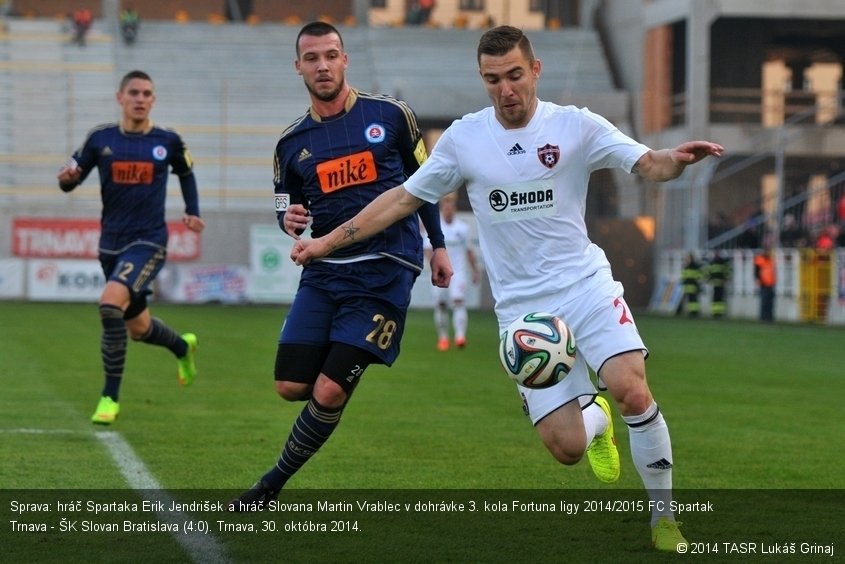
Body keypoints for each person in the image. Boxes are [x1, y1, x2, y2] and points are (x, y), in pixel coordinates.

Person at [292, 25, 724, 552]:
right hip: (522, 312)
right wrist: (326, 242)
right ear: (483, 79)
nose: (506, 90)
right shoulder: (465, 139)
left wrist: (674, 163)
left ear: (535, 70)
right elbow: (400, 200)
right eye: (493, 80)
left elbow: (648, 162)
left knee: (632, 387)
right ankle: (594, 419)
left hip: (585, 285)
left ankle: (664, 520)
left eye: (515, 76)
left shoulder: (576, 126)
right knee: (565, 449)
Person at [228, 22, 451, 511]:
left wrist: (438, 245)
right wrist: (286, 217)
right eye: (312, 58)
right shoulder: (291, 144)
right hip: (326, 272)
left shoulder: (391, 115)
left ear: (345, 59)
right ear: (299, 67)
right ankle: (339, 366)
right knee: (291, 386)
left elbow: (426, 182)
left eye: (331, 55)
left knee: (328, 390)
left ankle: (267, 489)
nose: (323, 65)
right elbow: (285, 201)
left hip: (386, 268)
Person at [57, 70, 204, 425]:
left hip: (149, 240)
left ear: (153, 100)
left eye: (147, 93)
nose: (140, 99)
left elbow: (185, 172)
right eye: (134, 93)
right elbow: (70, 178)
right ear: (120, 97)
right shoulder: (101, 139)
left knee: (109, 305)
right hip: (110, 244)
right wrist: (66, 179)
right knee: (138, 328)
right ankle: (182, 348)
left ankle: (109, 397)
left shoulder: (167, 141)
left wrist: (192, 211)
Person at [424, 192, 480, 351]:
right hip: (439, 271)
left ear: (454, 209)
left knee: (458, 301)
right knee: (441, 304)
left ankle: (460, 336)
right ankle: (443, 338)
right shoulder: (435, 227)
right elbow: (428, 250)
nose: (448, 210)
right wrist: (434, 266)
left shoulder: (462, 228)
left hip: (458, 272)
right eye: (445, 207)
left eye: (451, 207)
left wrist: (475, 271)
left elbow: (469, 251)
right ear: (442, 209)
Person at [705, 250, 730, 318]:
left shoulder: (719, 263)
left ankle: (718, 313)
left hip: (720, 283)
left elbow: (726, 273)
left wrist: (726, 279)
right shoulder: (717, 263)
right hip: (716, 283)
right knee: (716, 298)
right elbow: (709, 273)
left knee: (719, 298)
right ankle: (716, 313)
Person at [753, 248, 776, 322]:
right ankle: (763, 316)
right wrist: (760, 280)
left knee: (770, 302)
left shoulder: (770, 260)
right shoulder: (760, 260)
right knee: (764, 301)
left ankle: (769, 316)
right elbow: (756, 272)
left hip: (771, 283)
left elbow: (772, 272)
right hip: (763, 283)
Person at [678, 252, 702, 318]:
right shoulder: (687, 267)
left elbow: (699, 276)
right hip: (688, 286)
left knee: (693, 300)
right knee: (690, 300)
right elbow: (684, 276)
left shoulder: (694, 267)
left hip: (692, 286)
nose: (687, 260)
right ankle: (690, 312)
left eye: (688, 258)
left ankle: (694, 313)